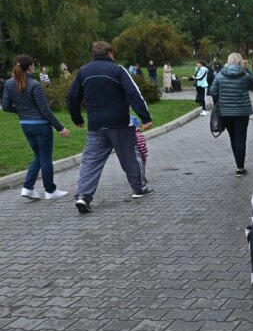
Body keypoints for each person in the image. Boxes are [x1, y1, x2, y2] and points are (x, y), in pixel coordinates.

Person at [68, 41, 154, 214]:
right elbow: (133, 93)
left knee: (90, 162)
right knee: (130, 156)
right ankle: (139, 188)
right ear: (109, 53)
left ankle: (83, 196)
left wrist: (77, 119)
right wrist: (145, 117)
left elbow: (72, 97)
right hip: (119, 124)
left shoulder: (83, 71)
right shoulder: (118, 70)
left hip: (95, 125)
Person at [2, 54, 71, 200]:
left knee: (39, 156)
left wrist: (21, 111)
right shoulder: (35, 85)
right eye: (33, 65)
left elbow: (6, 106)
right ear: (30, 67)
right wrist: (60, 128)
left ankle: (27, 188)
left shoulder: (8, 83)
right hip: (40, 125)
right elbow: (45, 111)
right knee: (45, 157)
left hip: (25, 125)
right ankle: (50, 190)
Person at [210, 52, 253, 176]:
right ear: (240, 61)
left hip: (225, 112)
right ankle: (240, 168)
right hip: (242, 112)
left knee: (233, 137)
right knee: (241, 138)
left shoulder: (220, 75)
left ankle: (238, 164)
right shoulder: (244, 74)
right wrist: (248, 71)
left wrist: (219, 100)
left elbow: (212, 91)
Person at [130, 116, 149, 186]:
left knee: (134, 168)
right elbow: (142, 147)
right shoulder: (139, 135)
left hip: (132, 156)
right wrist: (144, 153)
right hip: (141, 156)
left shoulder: (129, 135)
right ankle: (142, 179)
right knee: (141, 167)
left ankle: (136, 179)